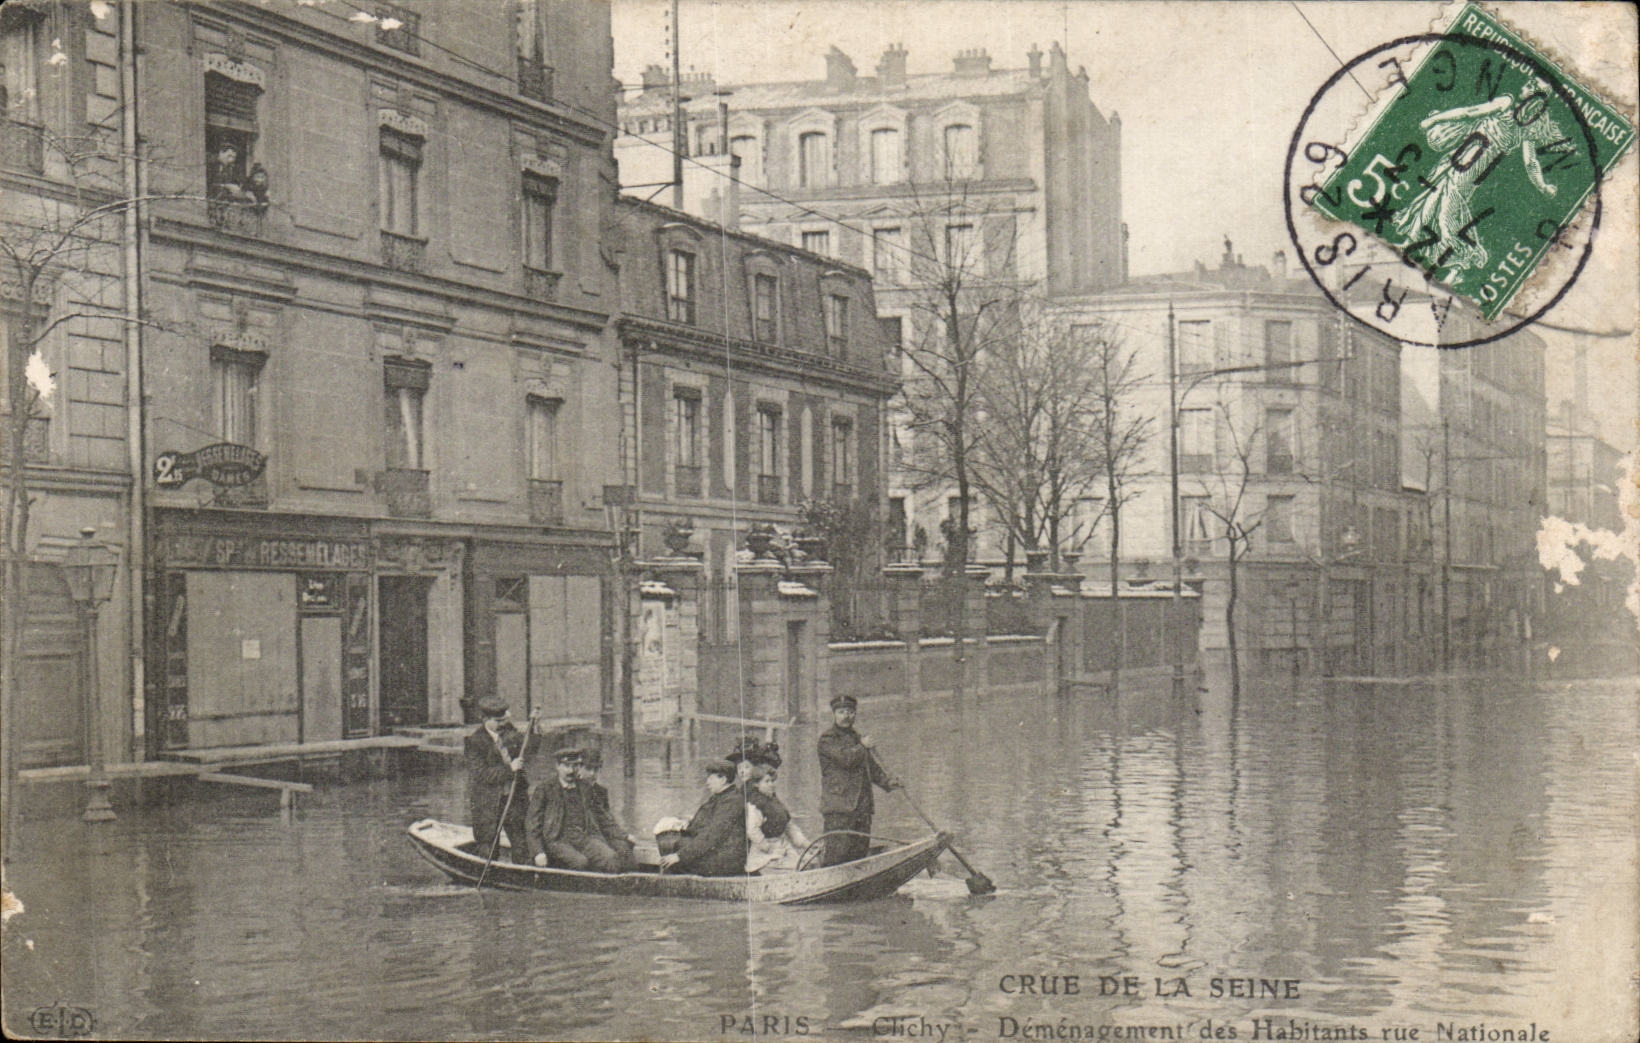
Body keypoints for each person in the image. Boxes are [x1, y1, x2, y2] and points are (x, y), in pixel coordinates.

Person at [817, 694, 897, 866]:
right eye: (842, 712)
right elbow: (846, 759)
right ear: (834, 714)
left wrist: (888, 782)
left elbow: (872, 768)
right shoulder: (827, 739)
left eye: (851, 712)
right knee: (836, 856)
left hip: (862, 807)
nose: (847, 716)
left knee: (859, 855)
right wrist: (863, 747)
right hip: (839, 807)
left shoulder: (858, 738)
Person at [527, 747, 623, 873]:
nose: (571, 771)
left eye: (575, 766)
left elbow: (603, 817)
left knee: (611, 858)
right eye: (566, 766)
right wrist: (538, 852)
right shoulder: (545, 789)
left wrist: (623, 836)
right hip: (557, 840)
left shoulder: (585, 788)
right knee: (580, 862)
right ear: (557, 766)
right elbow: (532, 824)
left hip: (584, 838)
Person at [464, 694, 529, 863]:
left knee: (522, 844)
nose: (502, 725)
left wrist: (535, 729)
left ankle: (522, 878)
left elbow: (529, 748)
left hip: (514, 799)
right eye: (498, 721)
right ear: (485, 719)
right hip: (488, 804)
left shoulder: (511, 732)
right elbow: (483, 775)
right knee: (488, 848)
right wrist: (510, 769)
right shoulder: (474, 742)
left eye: (504, 720)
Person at [658, 759, 747, 876]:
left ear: (723, 780)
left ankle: (673, 880)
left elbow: (713, 834)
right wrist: (687, 824)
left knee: (668, 842)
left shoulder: (731, 801)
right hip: (719, 852)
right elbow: (707, 826)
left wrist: (680, 856)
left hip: (725, 860)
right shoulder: (723, 797)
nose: (707, 782)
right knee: (668, 837)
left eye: (711, 778)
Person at [745, 762, 812, 873]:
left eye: (772, 781)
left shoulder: (775, 801)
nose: (771, 784)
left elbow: (789, 827)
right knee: (797, 869)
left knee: (809, 863)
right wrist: (769, 848)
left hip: (782, 846)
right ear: (756, 784)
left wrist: (807, 844)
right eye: (767, 782)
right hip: (764, 853)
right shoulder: (755, 804)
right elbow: (752, 830)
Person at [577, 747, 636, 872]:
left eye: (596, 769)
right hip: (582, 839)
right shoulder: (571, 790)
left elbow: (606, 820)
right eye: (588, 769)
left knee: (625, 849)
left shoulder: (600, 791)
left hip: (600, 835)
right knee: (610, 857)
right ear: (579, 768)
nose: (593, 774)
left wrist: (623, 836)